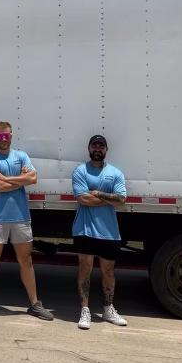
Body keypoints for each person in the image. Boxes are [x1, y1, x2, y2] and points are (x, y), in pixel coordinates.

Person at [0, 121, 53, 322]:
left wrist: (6, 178)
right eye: (0, 136)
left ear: (11, 135)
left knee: (26, 261)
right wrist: (19, 179)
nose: (4, 139)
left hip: (21, 217)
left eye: (7, 135)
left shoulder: (21, 156)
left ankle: (34, 305)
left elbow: (33, 178)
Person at [72, 134, 128, 330]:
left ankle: (107, 308)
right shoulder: (80, 171)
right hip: (84, 229)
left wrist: (98, 193)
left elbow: (121, 199)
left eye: (101, 146)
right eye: (94, 146)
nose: (97, 149)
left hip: (109, 232)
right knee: (85, 269)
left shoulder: (116, 173)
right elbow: (83, 199)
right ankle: (85, 310)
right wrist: (109, 198)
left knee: (108, 272)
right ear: (89, 149)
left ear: (106, 150)